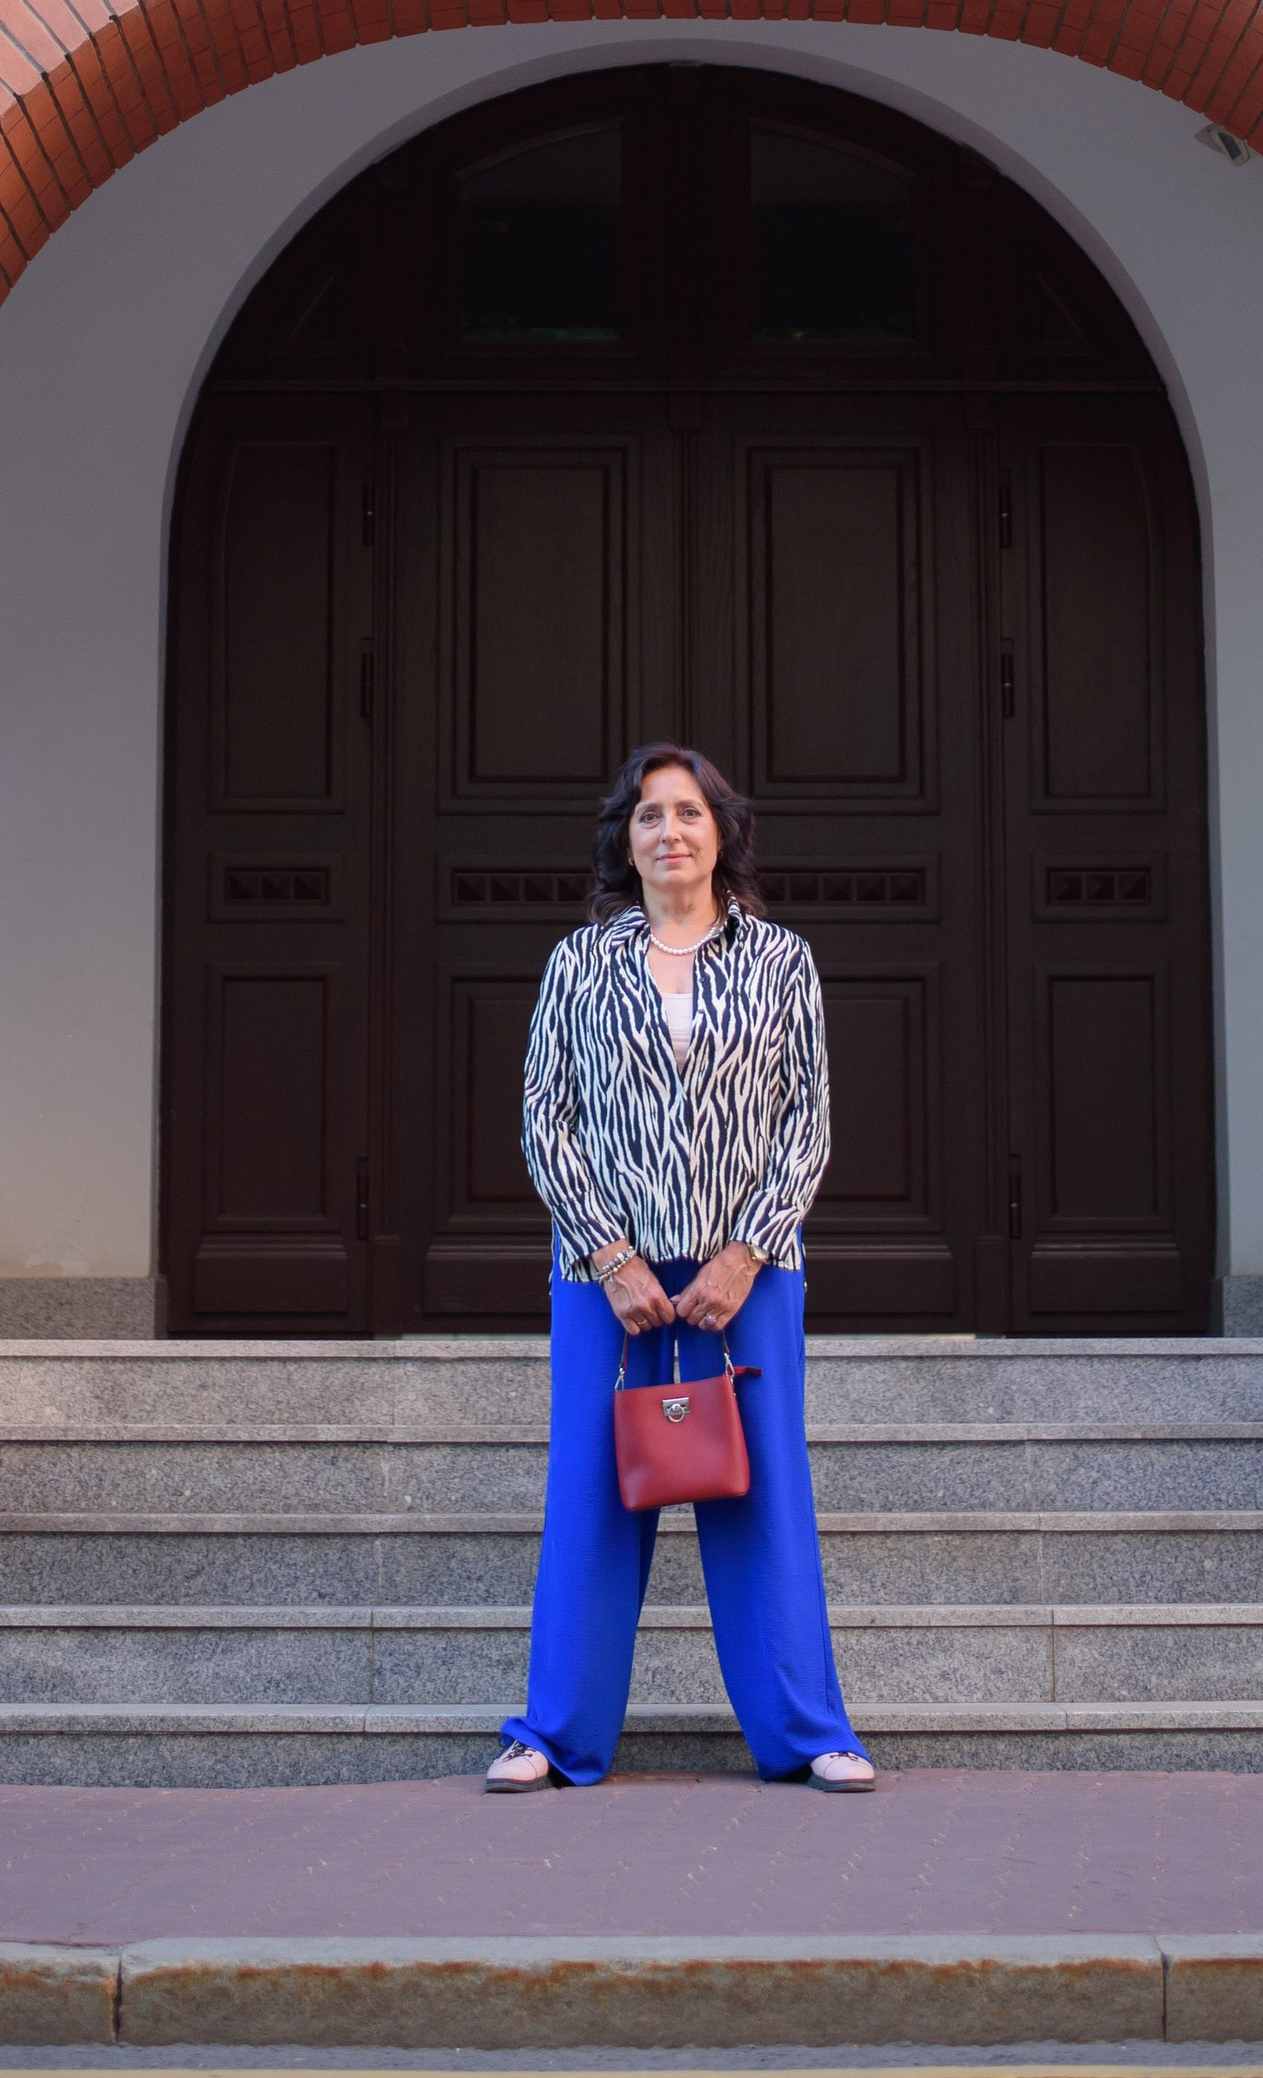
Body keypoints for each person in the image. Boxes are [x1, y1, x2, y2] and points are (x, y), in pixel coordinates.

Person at [487, 741, 875, 1793]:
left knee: (760, 1493)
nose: (670, 831)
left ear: (720, 832)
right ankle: (553, 1735)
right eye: (650, 814)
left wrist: (746, 1253)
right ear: (626, 839)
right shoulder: (578, 963)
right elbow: (544, 1119)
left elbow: (807, 1121)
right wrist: (610, 1254)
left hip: (745, 1276)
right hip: (604, 1279)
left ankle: (809, 1732)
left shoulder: (781, 960)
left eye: (689, 812)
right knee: (592, 1496)